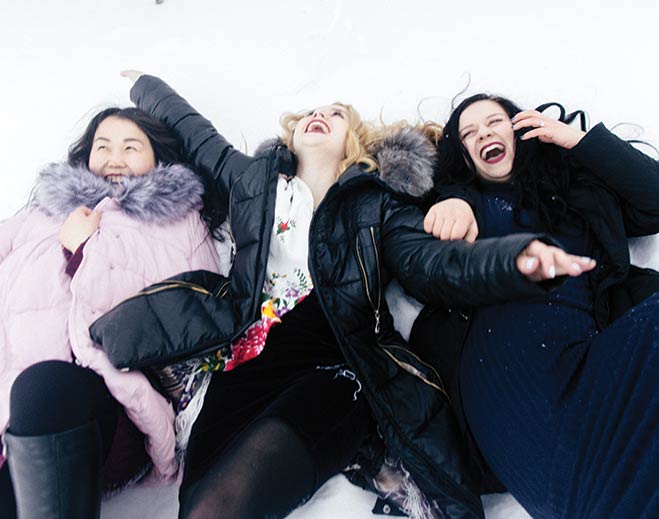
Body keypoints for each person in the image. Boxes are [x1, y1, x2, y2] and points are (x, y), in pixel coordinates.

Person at [89, 73, 598, 519]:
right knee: (198, 505)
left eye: (335, 113)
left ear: (354, 139)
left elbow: (434, 263)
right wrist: (145, 85)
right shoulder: (255, 183)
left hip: (332, 361)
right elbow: (198, 135)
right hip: (244, 364)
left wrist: (510, 262)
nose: (320, 115)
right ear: (292, 130)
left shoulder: (372, 204)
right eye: (312, 111)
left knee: (223, 504)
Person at [413, 94, 659, 518]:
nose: (484, 133)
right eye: (469, 133)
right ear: (464, 156)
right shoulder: (464, 204)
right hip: (513, 389)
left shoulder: (575, 190)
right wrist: (448, 205)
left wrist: (577, 142)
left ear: (522, 129)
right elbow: (421, 268)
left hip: (593, 368)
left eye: (494, 121)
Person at [0, 107, 224, 519]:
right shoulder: (41, 214)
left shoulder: (179, 223)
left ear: (158, 157)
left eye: (130, 146)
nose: (114, 157)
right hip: (11, 410)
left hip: (116, 405)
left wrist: (83, 250)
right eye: (103, 146)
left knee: (45, 388)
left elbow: (191, 315)